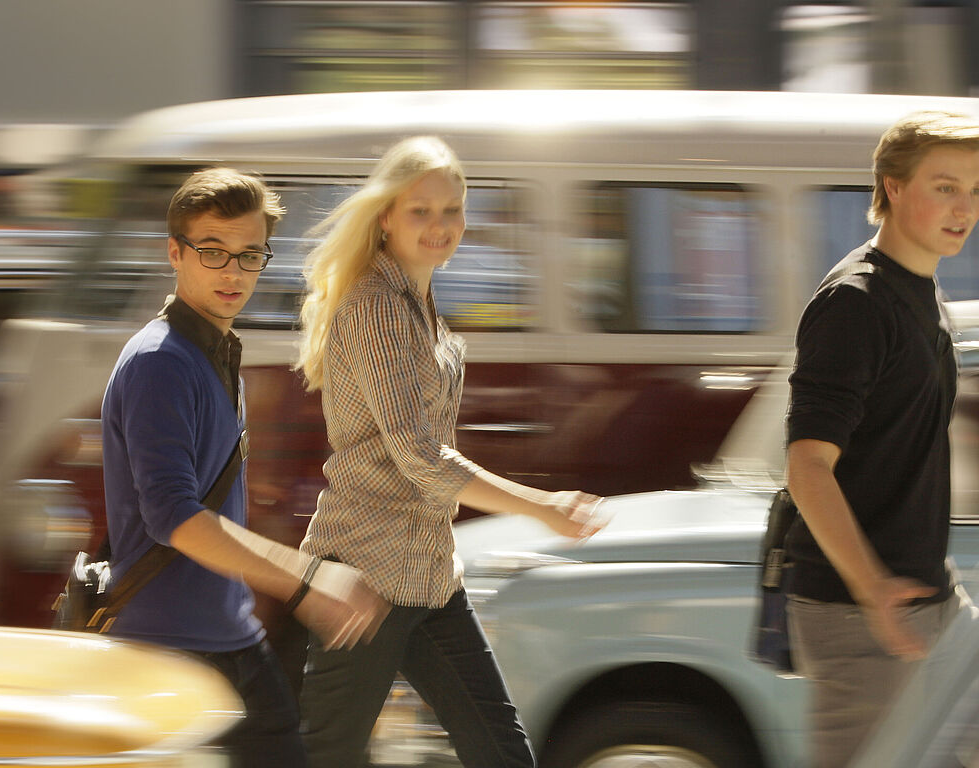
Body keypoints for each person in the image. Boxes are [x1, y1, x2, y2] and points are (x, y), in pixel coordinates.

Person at [291, 136, 607, 768]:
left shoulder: (418, 302)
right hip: (365, 574)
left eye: (452, 210)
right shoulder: (377, 307)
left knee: (502, 753)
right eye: (421, 211)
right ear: (386, 217)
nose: (440, 225)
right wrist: (541, 506)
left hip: (429, 575)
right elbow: (417, 454)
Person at [100, 167, 387, 768]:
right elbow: (174, 518)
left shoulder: (212, 352)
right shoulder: (160, 363)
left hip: (231, 641)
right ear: (175, 253)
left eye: (249, 255)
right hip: (168, 655)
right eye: (212, 251)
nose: (232, 272)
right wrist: (305, 581)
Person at [784, 111, 979, 768]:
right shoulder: (855, 303)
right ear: (892, 186)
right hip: (861, 608)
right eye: (945, 187)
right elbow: (807, 467)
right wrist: (873, 588)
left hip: (930, 590)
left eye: (976, 190)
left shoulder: (922, 291)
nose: (965, 208)